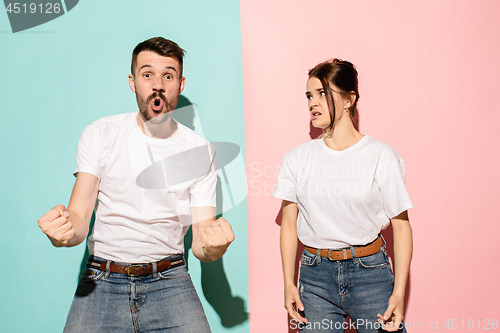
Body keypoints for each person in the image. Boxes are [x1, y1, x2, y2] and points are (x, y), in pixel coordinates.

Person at [37, 37, 235, 332]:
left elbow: (203, 244)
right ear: (133, 82)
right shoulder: (100, 133)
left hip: (170, 279)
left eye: (168, 75)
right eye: (147, 74)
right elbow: (79, 219)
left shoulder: (201, 151)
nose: (158, 85)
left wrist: (216, 247)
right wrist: (63, 234)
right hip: (102, 278)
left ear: (180, 84)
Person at [273, 59, 413, 332]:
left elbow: (402, 226)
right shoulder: (296, 158)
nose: (313, 102)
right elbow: (289, 225)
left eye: (323, 93)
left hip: (370, 274)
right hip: (315, 278)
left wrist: (399, 292)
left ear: (349, 99)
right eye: (309, 96)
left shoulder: (381, 156)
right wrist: (289, 283)